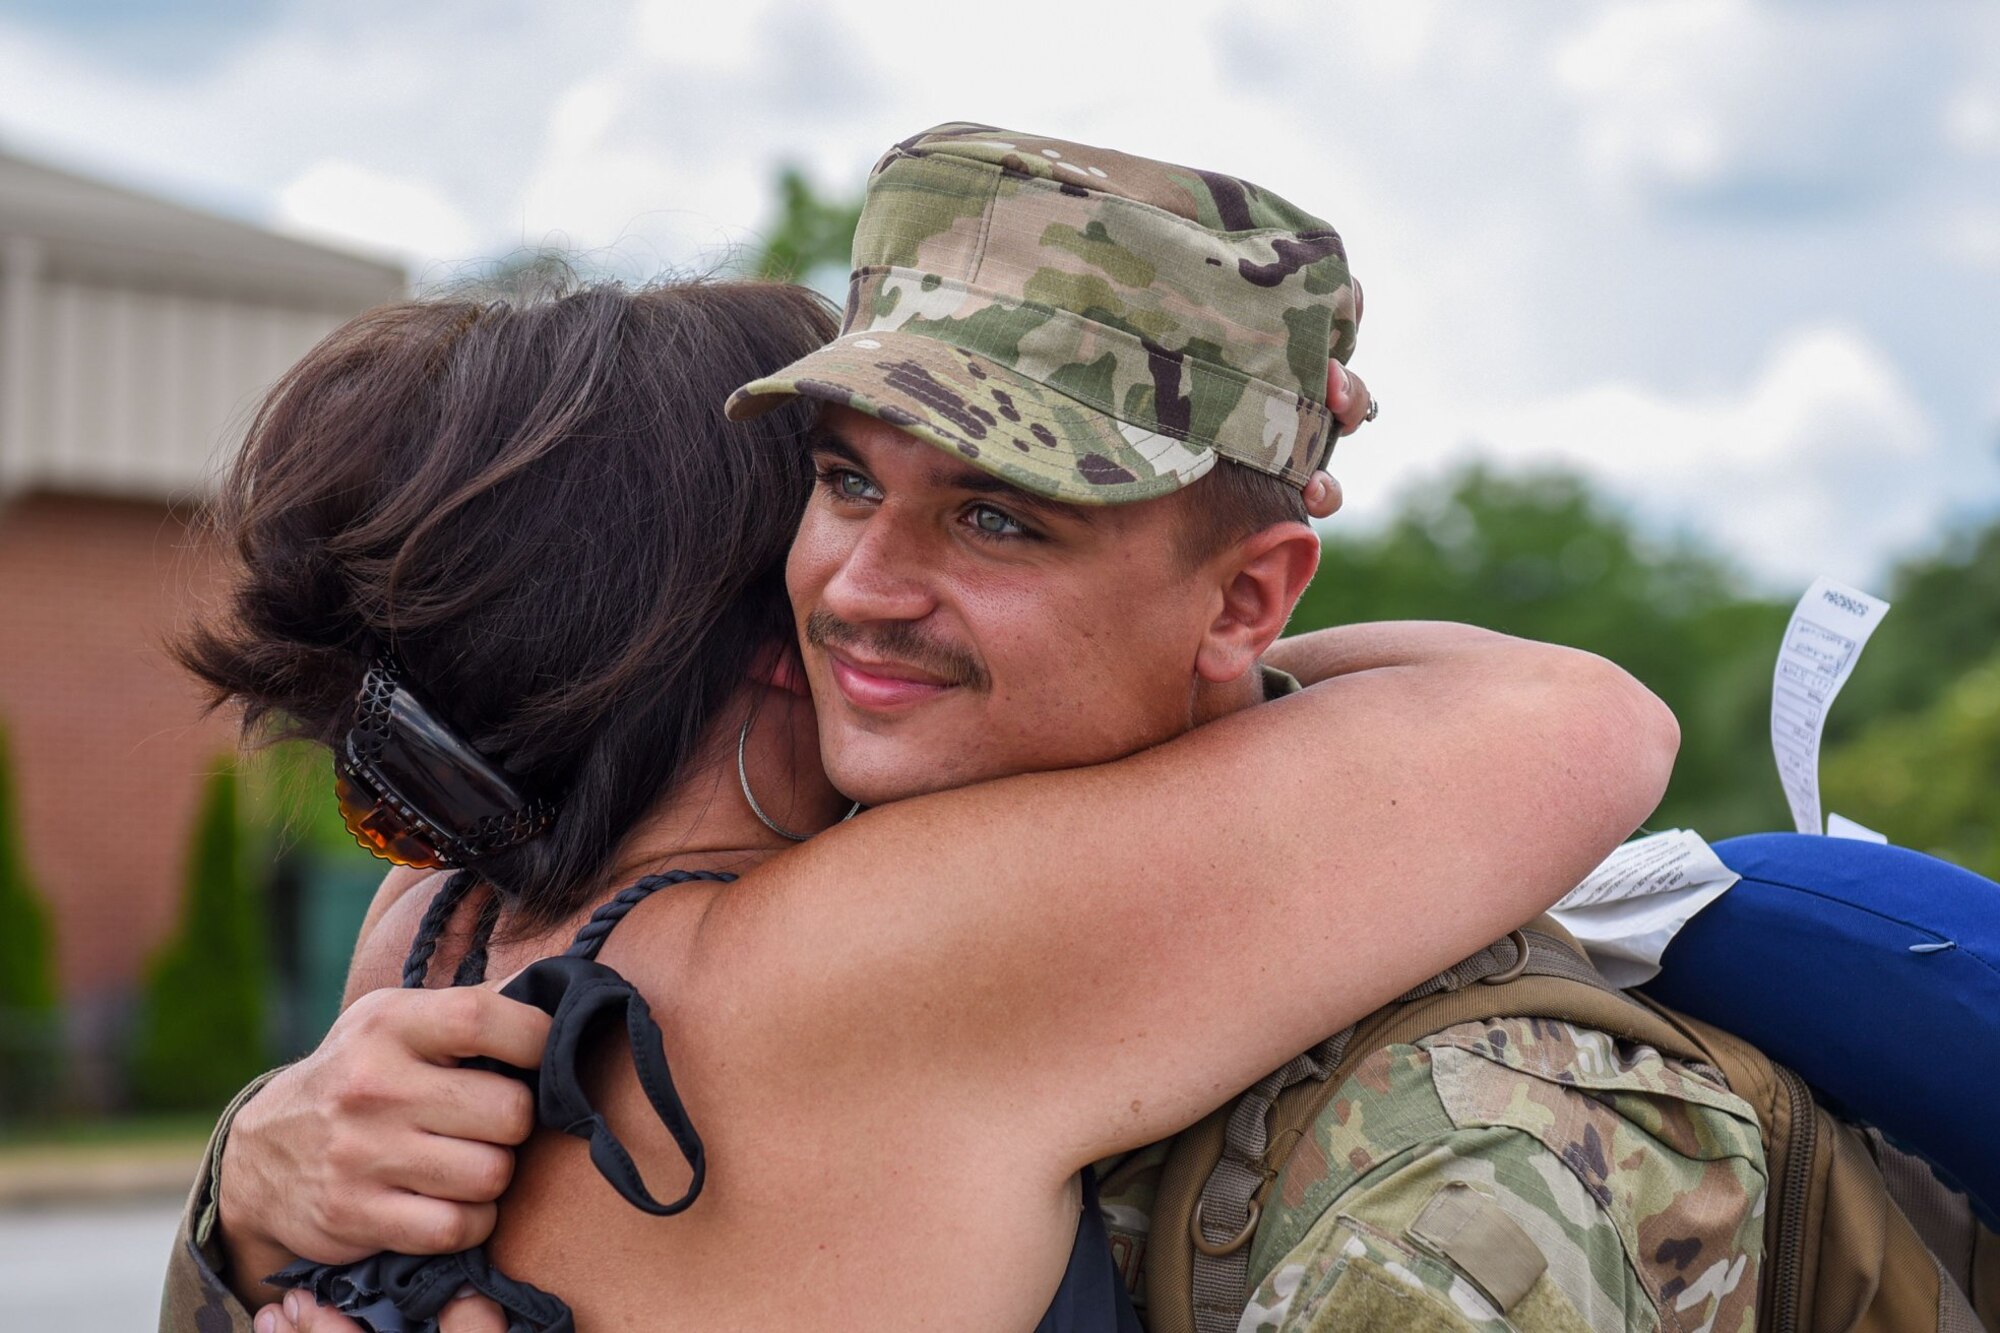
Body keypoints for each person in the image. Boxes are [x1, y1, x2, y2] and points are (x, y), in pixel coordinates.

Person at [159, 126, 1680, 1333]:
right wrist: (1223, 600)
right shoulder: (879, 955)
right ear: (763, 623)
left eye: (1001, 517)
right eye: (839, 484)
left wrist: (235, 1184)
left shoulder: (425, 928)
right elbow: (1579, 719)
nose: (860, 588)